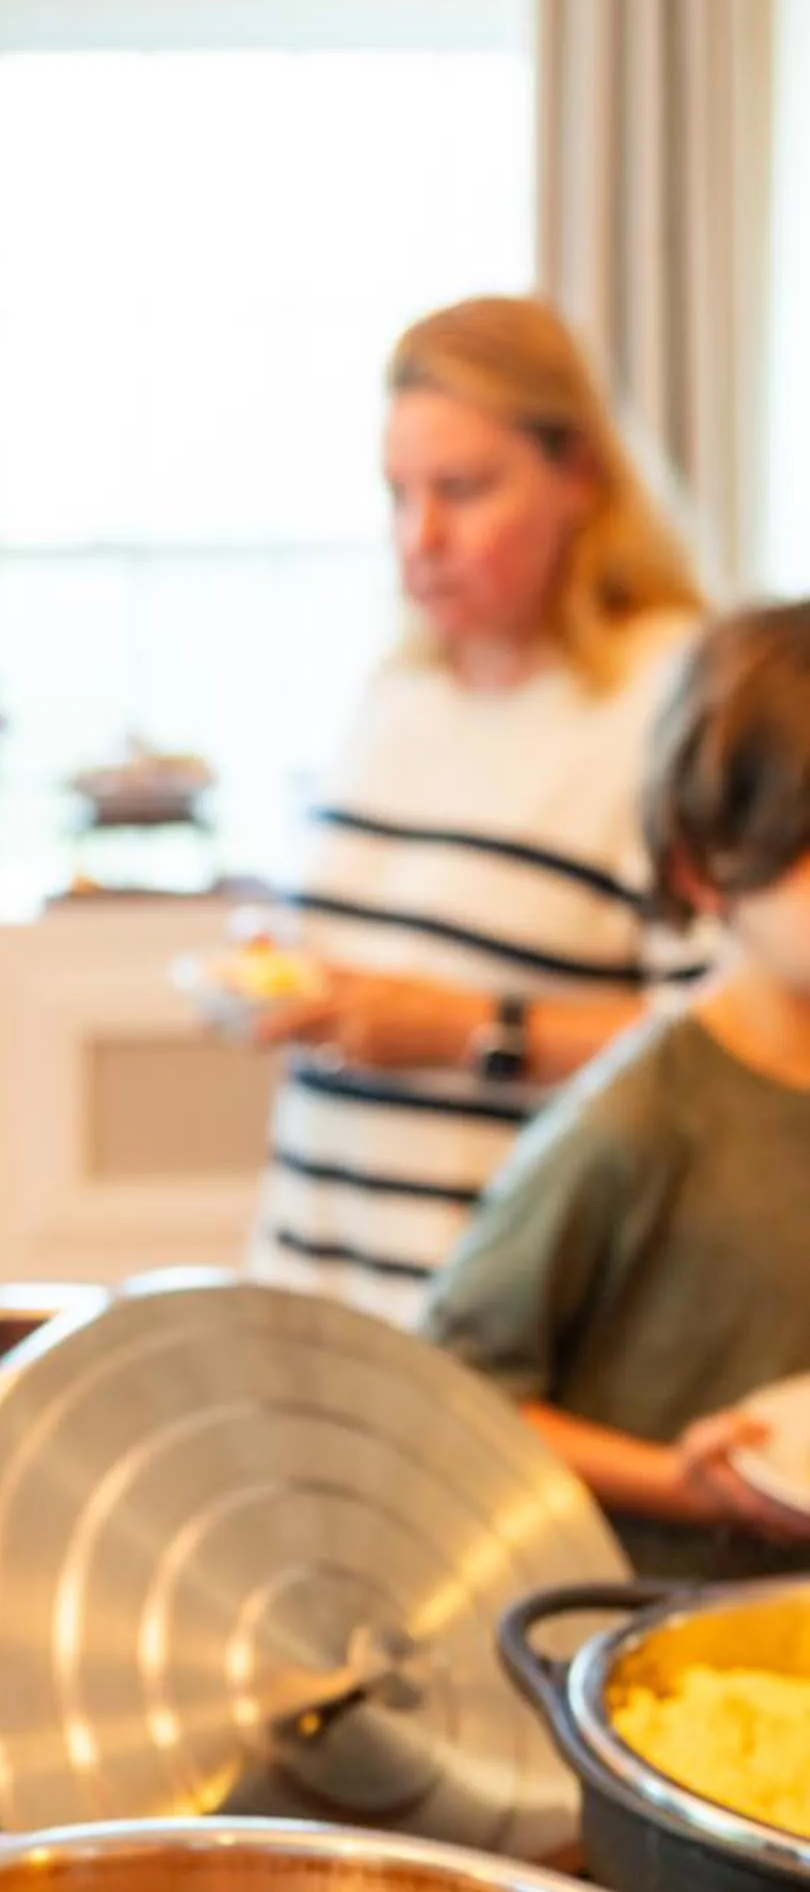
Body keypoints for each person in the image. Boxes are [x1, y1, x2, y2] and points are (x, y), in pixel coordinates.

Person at [232, 295, 705, 1321]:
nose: (421, 537)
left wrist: (472, 1032)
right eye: (397, 494)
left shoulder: (670, 699)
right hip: (317, 1282)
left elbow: (728, 1044)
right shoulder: (396, 690)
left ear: (578, 478)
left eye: (463, 489)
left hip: (516, 1323)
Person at [422, 603, 810, 1580]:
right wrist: (678, 1483)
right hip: (647, 1641)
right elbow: (449, 1395)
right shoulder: (635, 1119)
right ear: (704, 866)